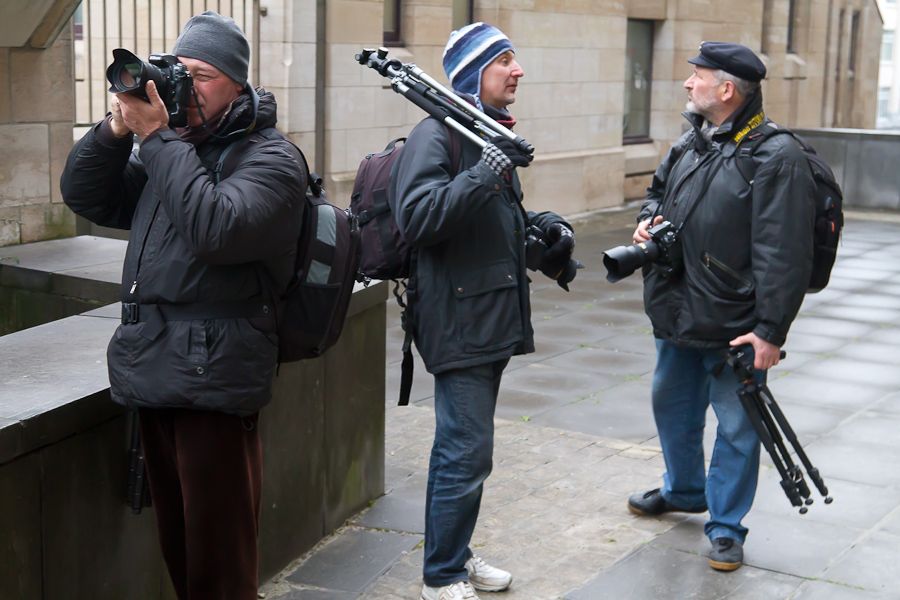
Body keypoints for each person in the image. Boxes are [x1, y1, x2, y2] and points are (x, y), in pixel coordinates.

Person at [60, 11, 305, 599]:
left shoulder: (271, 158)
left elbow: (217, 229)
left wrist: (156, 138)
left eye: (202, 75)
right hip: (155, 368)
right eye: (179, 72)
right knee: (179, 548)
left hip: (215, 381)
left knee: (220, 563)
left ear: (238, 85)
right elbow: (85, 194)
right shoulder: (166, 152)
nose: (186, 87)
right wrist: (117, 129)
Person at [390, 22, 579, 600]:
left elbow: (490, 226)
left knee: (471, 451)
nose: (517, 70)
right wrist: (486, 170)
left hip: (487, 316)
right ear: (474, 74)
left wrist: (542, 231)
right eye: (504, 61)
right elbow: (417, 218)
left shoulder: (481, 134)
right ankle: (440, 577)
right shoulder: (437, 135)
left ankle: (456, 553)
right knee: (463, 451)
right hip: (457, 319)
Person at [625, 41, 816, 572]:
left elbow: (786, 254)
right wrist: (647, 218)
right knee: (673, 407)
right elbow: (657, 191)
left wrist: (770, 332)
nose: (688, 84)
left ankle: (727, 526)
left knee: (736, 426)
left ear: (727, 89)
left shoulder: (777, 156)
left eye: (697, 76)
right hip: (678, 308)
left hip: (737, 325)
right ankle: (684, 489)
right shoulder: (692, 141)